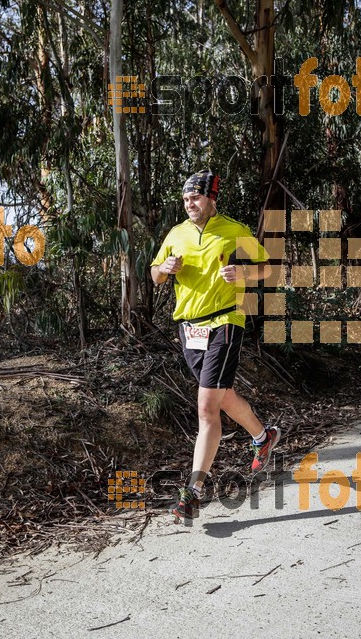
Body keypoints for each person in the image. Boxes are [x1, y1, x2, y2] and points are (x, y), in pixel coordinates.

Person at [150, 169, 281, 522]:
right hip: (189, 326)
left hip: (226, 320)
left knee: (207, 405)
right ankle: (262, 435)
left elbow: (268, 268)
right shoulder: (176, 234)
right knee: (220, 396)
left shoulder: (234, 230)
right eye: (185, 199)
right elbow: (155, 275)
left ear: (211, 198)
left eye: (195, 197)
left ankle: (192, 492)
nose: (189, 204)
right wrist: (165, 266)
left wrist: (244, 274)